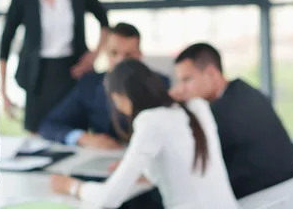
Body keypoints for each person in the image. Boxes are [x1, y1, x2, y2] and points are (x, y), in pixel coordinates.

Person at [51, 59, 239, 209]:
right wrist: (138, 171)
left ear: (120, 98)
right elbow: (183, 167)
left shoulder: (150, 121)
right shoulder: (198, 106)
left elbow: (109, 198)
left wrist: (73, 187)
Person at [0, 0, 109, 132]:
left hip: (73, 70)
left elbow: (104, 21)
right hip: (37, 75)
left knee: (73, 131)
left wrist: (93, 56)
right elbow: (7, 39)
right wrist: (4, 91)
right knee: (37, 132)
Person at [172, 42, 293, 199]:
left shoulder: (222, 112)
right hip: (284, 193)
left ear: (211, 73)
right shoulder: (245, 92)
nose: (181, 89)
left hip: (257, 198)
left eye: (186, 80)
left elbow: (185, 153)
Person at [38, 22, 171, 149]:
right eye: (114, 53)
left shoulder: (160, 83)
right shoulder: (89, 85)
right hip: (106, 154)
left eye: (128, 55)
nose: (120, 61)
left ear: (140, 55)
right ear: (106, 53)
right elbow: (49, 125)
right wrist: (84, 138)